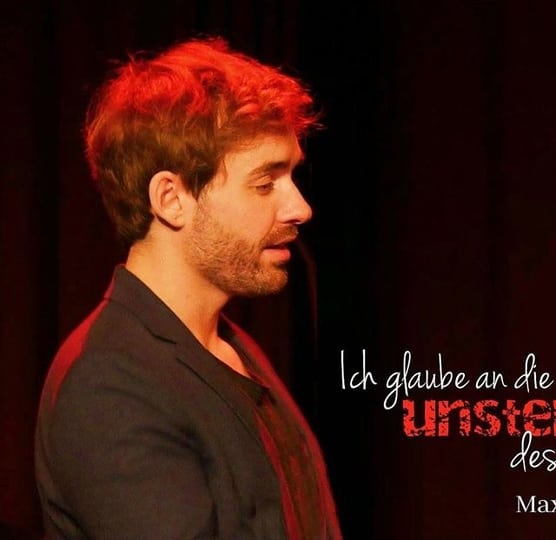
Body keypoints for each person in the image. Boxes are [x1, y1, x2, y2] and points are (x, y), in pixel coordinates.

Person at [34, 38, 341, 539]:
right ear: (171, 199)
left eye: (291, 176)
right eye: (265, 184)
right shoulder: (110, 384)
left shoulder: (230, 347)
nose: (299, 208)